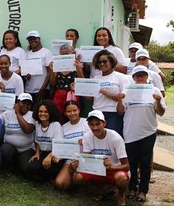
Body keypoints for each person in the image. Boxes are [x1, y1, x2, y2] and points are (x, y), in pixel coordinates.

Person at [117, 65, 166, 203]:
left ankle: (143, 191)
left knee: (145, 163)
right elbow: (120, 111)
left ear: (147, 77)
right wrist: (120, 99)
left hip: (148, 132)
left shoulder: (154, 90)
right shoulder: (127, 91)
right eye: (137, 75)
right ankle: (132, 188)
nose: (140, 78)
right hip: (130, 132)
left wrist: (157, 101)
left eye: (142, 75)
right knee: (131, 162)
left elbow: (161, 112)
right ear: (133, 78)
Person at [70, 110, 129, 206]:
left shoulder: (115, 138)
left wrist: (111, 167)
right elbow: (87, 160)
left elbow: (127, 166)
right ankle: (91, 189)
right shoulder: (87, 136)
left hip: (113, 170)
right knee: (77, 177)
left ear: (104, 123)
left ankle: (121, 194)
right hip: (96, 169)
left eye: (98, 124)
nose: (95, 128)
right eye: (92, 124)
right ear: (88, 125)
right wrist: (77, 164)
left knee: (121, 178)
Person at [89, 50, 129, 137]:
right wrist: (79, 89)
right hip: (97, 113)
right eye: (99, 62)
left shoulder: (121, 77)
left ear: (111, 61)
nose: (102, 64)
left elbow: (123, 97)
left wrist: (106, 94)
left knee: (112, 140)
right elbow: (91, 98)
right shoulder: (96, 78)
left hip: (113, 114)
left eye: (105, 61)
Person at [54, 100, 90, 190]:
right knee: (60, 184)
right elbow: (61, 148)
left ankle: (83, 185)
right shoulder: (63, 127)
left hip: (86, 158)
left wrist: (87, 141)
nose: (72, 113)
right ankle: (74, 181)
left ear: (79, 110)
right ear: (65, 113)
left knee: (79, 178)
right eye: (69, 111)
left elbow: (97, 140)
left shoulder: (86, 123)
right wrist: (58, 157)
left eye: (75, 110)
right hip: (70, 160)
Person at [26, 100, 64, 182]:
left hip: (55, 153)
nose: (43, 114)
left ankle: (49, 177)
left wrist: (49, 157)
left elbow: (59, 145)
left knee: (50, 169)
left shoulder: (56, 125)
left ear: (51, 112)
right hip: (43, 152)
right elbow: (37, 142)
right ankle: (44, 178)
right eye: (40, 111)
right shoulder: (37, 124)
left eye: (46, 112)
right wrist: (37, 153)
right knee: (30, 168)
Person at [0, 93, 35, 177]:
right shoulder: (7, 114)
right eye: (23, 103)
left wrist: (18, 113)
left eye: (28, 104)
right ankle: (9, 167)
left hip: (26, 149)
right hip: (10, 147)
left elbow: (27, 130)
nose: (26, 106)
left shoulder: (32, 115)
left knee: (26, 170)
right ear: (17, 102)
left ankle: (18, 164)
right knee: (5, 150)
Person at [50, 43, 83, 115]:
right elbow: (52, 83)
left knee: (72, 116)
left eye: (67, 53)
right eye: (62, 54)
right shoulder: (57, 66)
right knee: (58, 116)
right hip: (58, 96)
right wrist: (53, 70)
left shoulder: (77, 65)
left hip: (72, 96)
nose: (64, 56)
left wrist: (79, 69)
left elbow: (81, 81)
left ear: (72, 54)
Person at [24, 30, 53, 105]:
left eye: (34, 38)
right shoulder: (27, 54)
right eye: (30, 39)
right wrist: (26, 76)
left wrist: (43, 87)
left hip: (42, 90)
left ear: (39, 39)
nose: (32, 40)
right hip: (29, 90)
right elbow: (25, 72)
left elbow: (50, 72)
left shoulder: (46, 52)